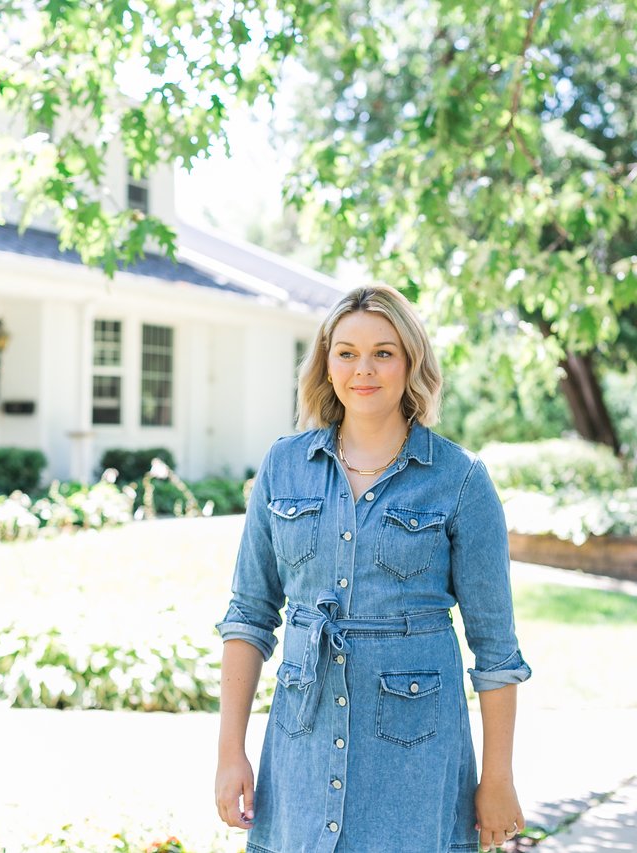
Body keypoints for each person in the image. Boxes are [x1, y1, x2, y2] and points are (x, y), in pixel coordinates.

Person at [214, 284, 531, 853]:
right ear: (326, 363)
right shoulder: (284, 466)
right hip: (301, 749)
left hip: (416, 762)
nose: (363, 369)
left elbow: (496, 649)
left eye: (383, 352)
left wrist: (498, 778)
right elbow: (249, 615)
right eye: (347, 353)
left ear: (411, 362)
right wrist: (229, 752)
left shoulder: (460, 479)